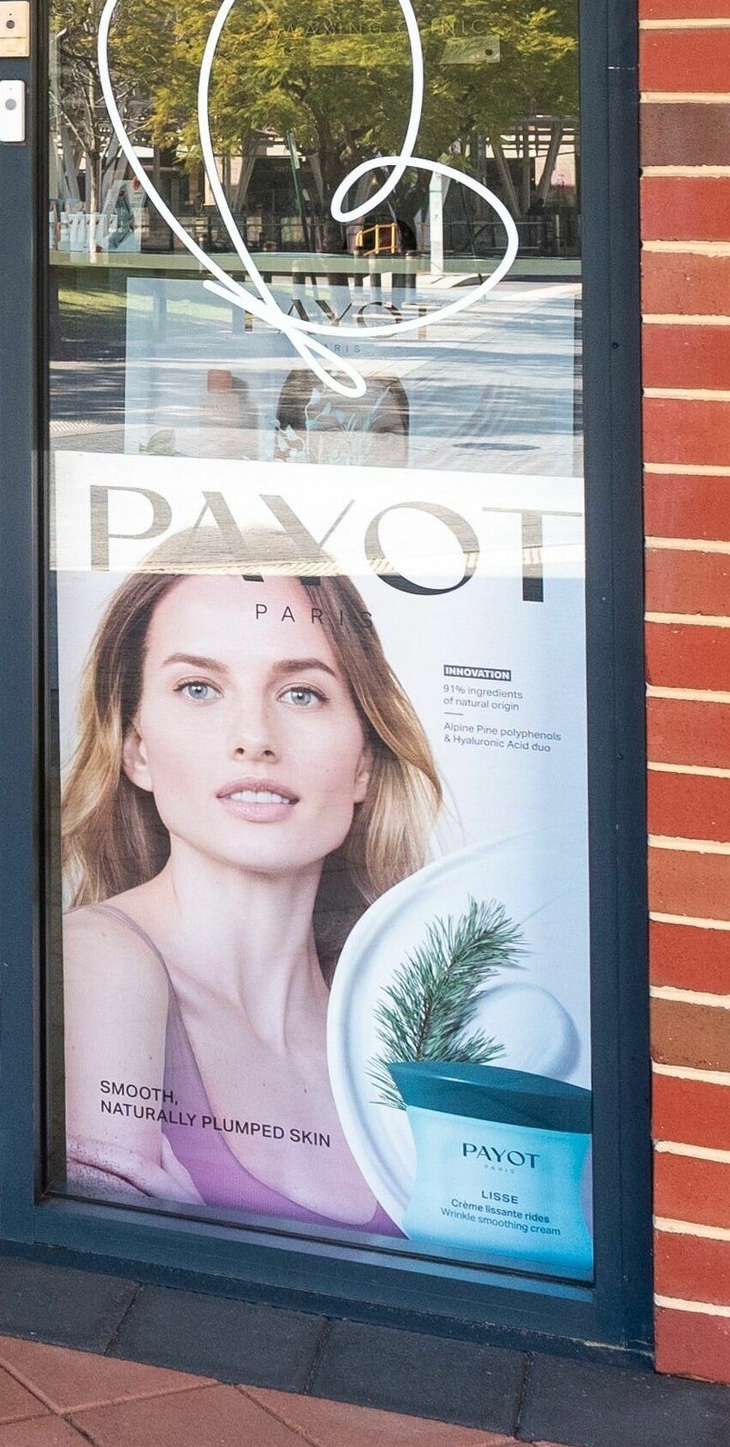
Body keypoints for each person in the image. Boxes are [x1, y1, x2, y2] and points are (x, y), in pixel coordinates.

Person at [59, 524, 443, 1225]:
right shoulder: (100, 959)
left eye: (301, 694)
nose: (254, 738)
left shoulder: (400, 1023)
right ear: (136, 749)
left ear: (363, 761)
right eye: (199, 688)